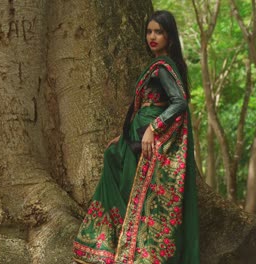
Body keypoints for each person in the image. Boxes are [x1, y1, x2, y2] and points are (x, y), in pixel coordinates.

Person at [72, 10, 200, 264]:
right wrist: (122, 137)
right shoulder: (156, 65)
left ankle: (129, 252)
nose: (152, 37)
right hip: (135, 137)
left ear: (169, 37)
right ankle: (112, 246)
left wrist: (154, 127)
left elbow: (179, 103)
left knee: (136, 197)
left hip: (146, 139)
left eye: (158, 32)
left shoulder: (164, 67)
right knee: (115, 164)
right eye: (149, 31)